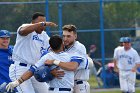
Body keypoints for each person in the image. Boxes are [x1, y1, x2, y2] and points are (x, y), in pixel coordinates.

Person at [6, 35, 84, 93]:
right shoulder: (70, 55)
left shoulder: (47, 57)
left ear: (50, 46)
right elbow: (73, 67)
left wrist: (17, 82)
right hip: (65, 91)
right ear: (62, 44)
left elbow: (32, 70)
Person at [9, 12, 57, 93]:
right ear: (33, 23)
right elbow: (22, 31)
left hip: (34, 70)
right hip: (20, 69)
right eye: (41, 23)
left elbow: (53, 48)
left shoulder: (43, 35)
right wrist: (41, 24)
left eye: (44, 24)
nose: (43, 26)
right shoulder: (25, 27)